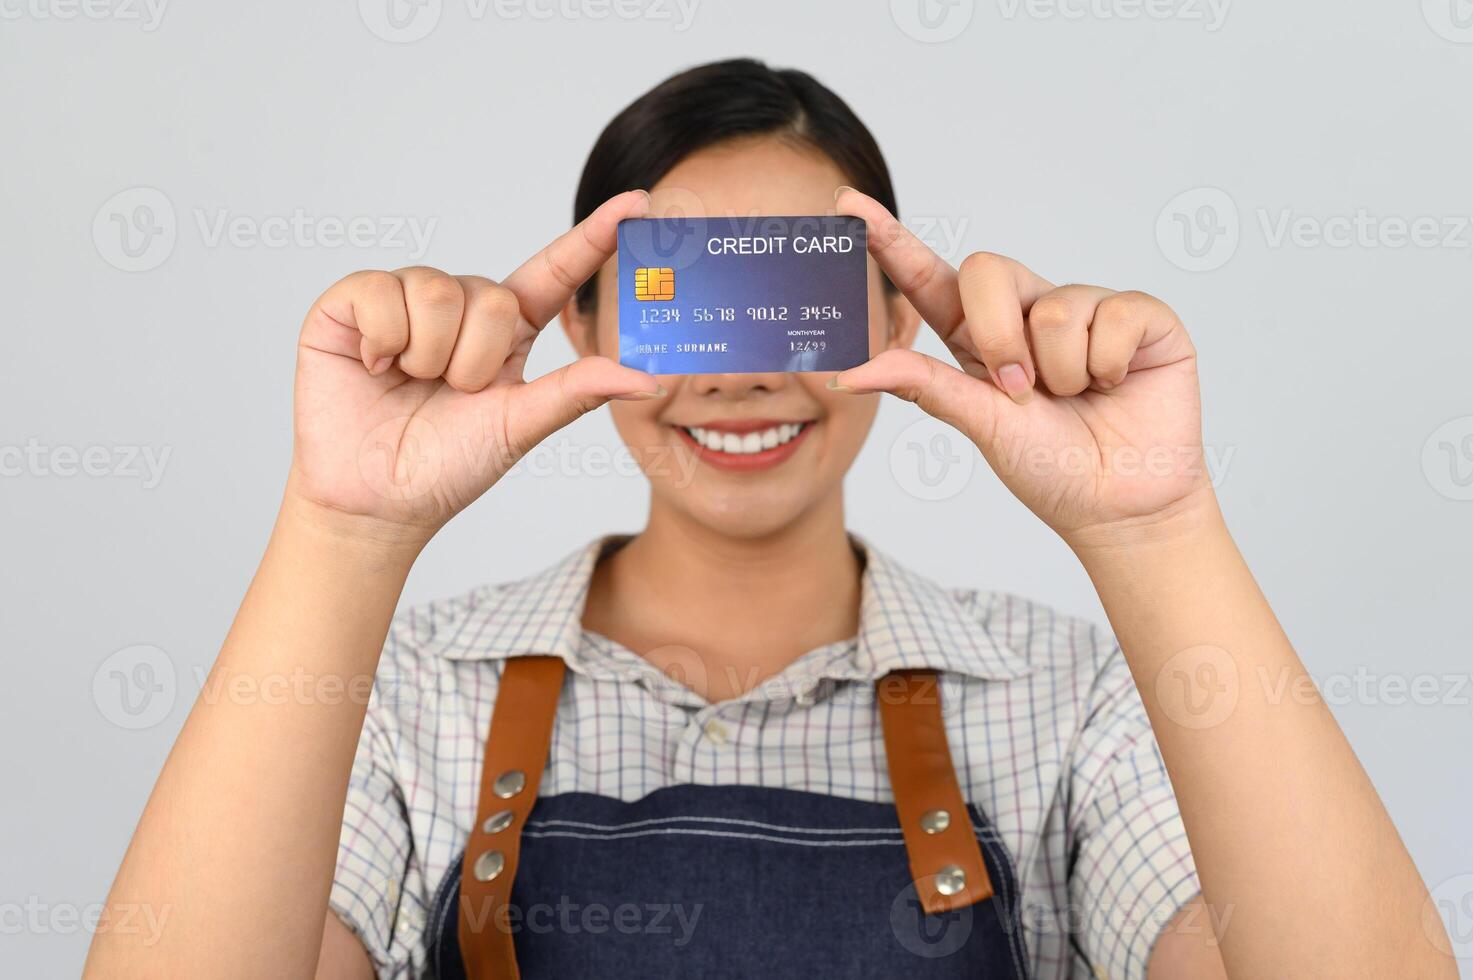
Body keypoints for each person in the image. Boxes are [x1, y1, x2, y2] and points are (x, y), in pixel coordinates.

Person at [85, 59, 1452, 979]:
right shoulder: (395, 694)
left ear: (896, 313)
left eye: (790, 294)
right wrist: (342, 532)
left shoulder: (1067, 694)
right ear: (580, 318)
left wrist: (1157, 533)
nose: (743, 372)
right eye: (690, 296)